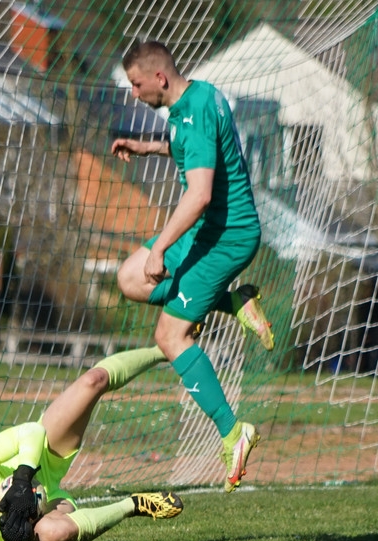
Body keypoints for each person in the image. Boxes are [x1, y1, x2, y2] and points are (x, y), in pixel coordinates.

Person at [111, 40, 273, 493]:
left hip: (226, 238)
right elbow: (194, 145)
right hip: (208, 231)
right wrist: (148, 148)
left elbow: (199, 194)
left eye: (136, 85)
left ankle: (233, 433)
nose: (134, 94)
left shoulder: (195, 110)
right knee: (130, 278)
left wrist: (161, 247)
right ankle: (234, 302)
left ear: (159, 78)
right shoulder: (196, 99)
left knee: (170, 336)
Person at [0, 345, 183, 541]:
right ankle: (133, 504)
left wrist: (22, 479)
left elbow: (32, 432)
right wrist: (16, 537)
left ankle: (164, 349)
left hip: (41, 461)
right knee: (52, 535)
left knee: (94, 380)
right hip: (46, 510)